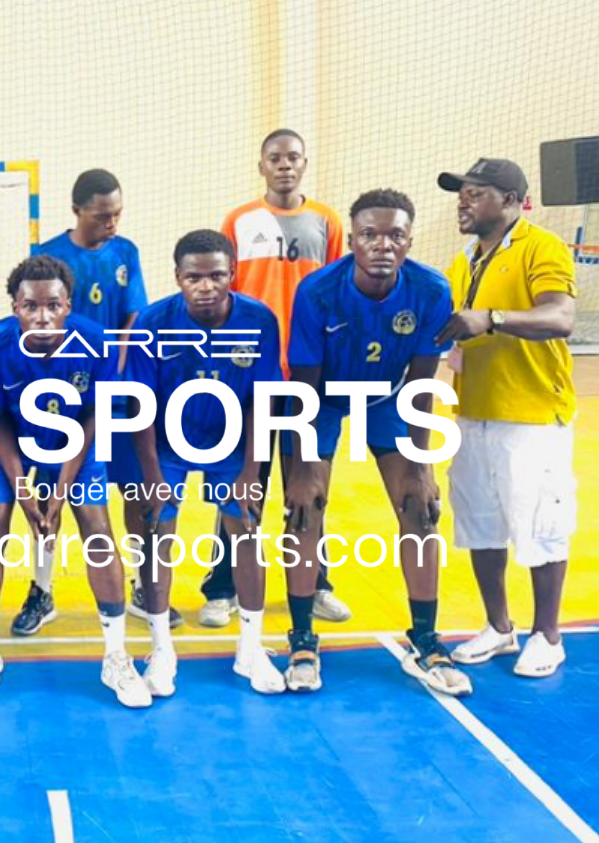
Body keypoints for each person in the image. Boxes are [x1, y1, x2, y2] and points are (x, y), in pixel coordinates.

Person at [281, 190, 469, 696]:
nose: (382, 245)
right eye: (370, 234)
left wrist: (422, 465)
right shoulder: (318, 291)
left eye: (395, 235)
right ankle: (302, 638)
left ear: (409, 240)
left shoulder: (431, 290)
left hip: (387, 397)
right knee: (303, 510)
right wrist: (303, 467)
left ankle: (425, 637)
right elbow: (304, 384)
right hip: (322, 398)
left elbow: (422, 381)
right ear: (352, 239)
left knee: (421, 509)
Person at [0, 255, 149, 710]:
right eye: (30, 306)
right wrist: (25, 493)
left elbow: (94, 415)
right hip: (13, 437)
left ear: (68, 306)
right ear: (15, 307)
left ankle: (116, 657)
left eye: (52, 306)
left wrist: (59, 492)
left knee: (98, 533)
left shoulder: (97, 343)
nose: (41, 316)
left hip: (75, 438)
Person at [202, 129, 351, 628]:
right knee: (240, 480)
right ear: (261, 165)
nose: (284, 165)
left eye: (292, 157)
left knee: (308, 482)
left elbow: (339, 293)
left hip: (309, 373)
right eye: (275, 158)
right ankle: (222, 586)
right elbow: (222, 293)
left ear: (305, 164)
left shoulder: (327, 221)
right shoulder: (239, 221)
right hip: (250, 375)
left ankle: (316, 583)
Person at [435, 158, 578, 678]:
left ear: (512, 201)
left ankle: (547, 635)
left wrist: (492, 319)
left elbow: (560, 316)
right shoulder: (466, 260)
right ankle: (499, 627)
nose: (463, 201)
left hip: (531, 414)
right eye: (461, 192)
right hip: (473, 412)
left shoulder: (541, 247)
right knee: (481, 524)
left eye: (476, 193)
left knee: (541, 524)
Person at [128, 230, 285, 698]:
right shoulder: (153, 321)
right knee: (158, 535)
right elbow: (140, 403)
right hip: (169, 440)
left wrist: (253, 471)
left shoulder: (259, 319)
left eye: (216, 275)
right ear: (178, 277)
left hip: (231, 439)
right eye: (193, 277)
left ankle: (250, 650)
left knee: (247, 533)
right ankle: (161, 651)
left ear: (232, 273)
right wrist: (151, 475)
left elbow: (263, 399)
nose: (205, 286)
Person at [27, 169, 160, 634]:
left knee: (134, 490)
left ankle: (142, 586)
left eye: (117, 214)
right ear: (77, 211)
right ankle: (41, 590)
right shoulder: (47, 256)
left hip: (116, 390)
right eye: (103, 216)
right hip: (62, 397)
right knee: (52, 493)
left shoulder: (126, 252)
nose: (112, 223)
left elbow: (132, 317)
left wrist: (113, 370)